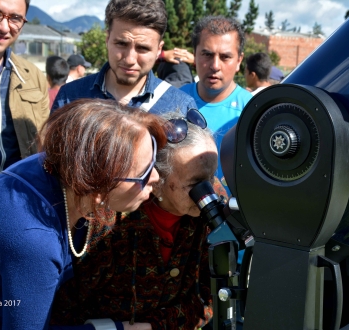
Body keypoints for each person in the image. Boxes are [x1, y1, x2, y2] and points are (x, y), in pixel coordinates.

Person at [0, 98, 167, 329]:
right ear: (98, 185)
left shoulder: (55, 166)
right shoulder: (35, 239)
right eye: (144, 173)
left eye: (154, 162)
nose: (156, 178)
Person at [50, 109, 216, 330]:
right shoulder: (108, 220)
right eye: (195, 184)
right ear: (156, 180)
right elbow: (62, 307)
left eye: (212, 177)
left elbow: (214, 295)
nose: (209, 193)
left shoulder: (212, 210)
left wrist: (152, 327)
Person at [52, 0, 196, 116]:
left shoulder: (180, 108)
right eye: (121, 43)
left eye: (143, 48)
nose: (130, 59)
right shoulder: (70, 97)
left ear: (159, 50)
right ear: (107, 39)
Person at [180, 16, 252, 191]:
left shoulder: (252, 111)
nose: (215, 65)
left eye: (225, 56)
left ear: (239, 61)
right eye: (207, 54)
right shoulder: (174, 100)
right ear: (194, 55)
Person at [0, 0, 49, 182]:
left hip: (17, 195)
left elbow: (43, 146)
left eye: (15, 18)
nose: (4, 27)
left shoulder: (32, 77)